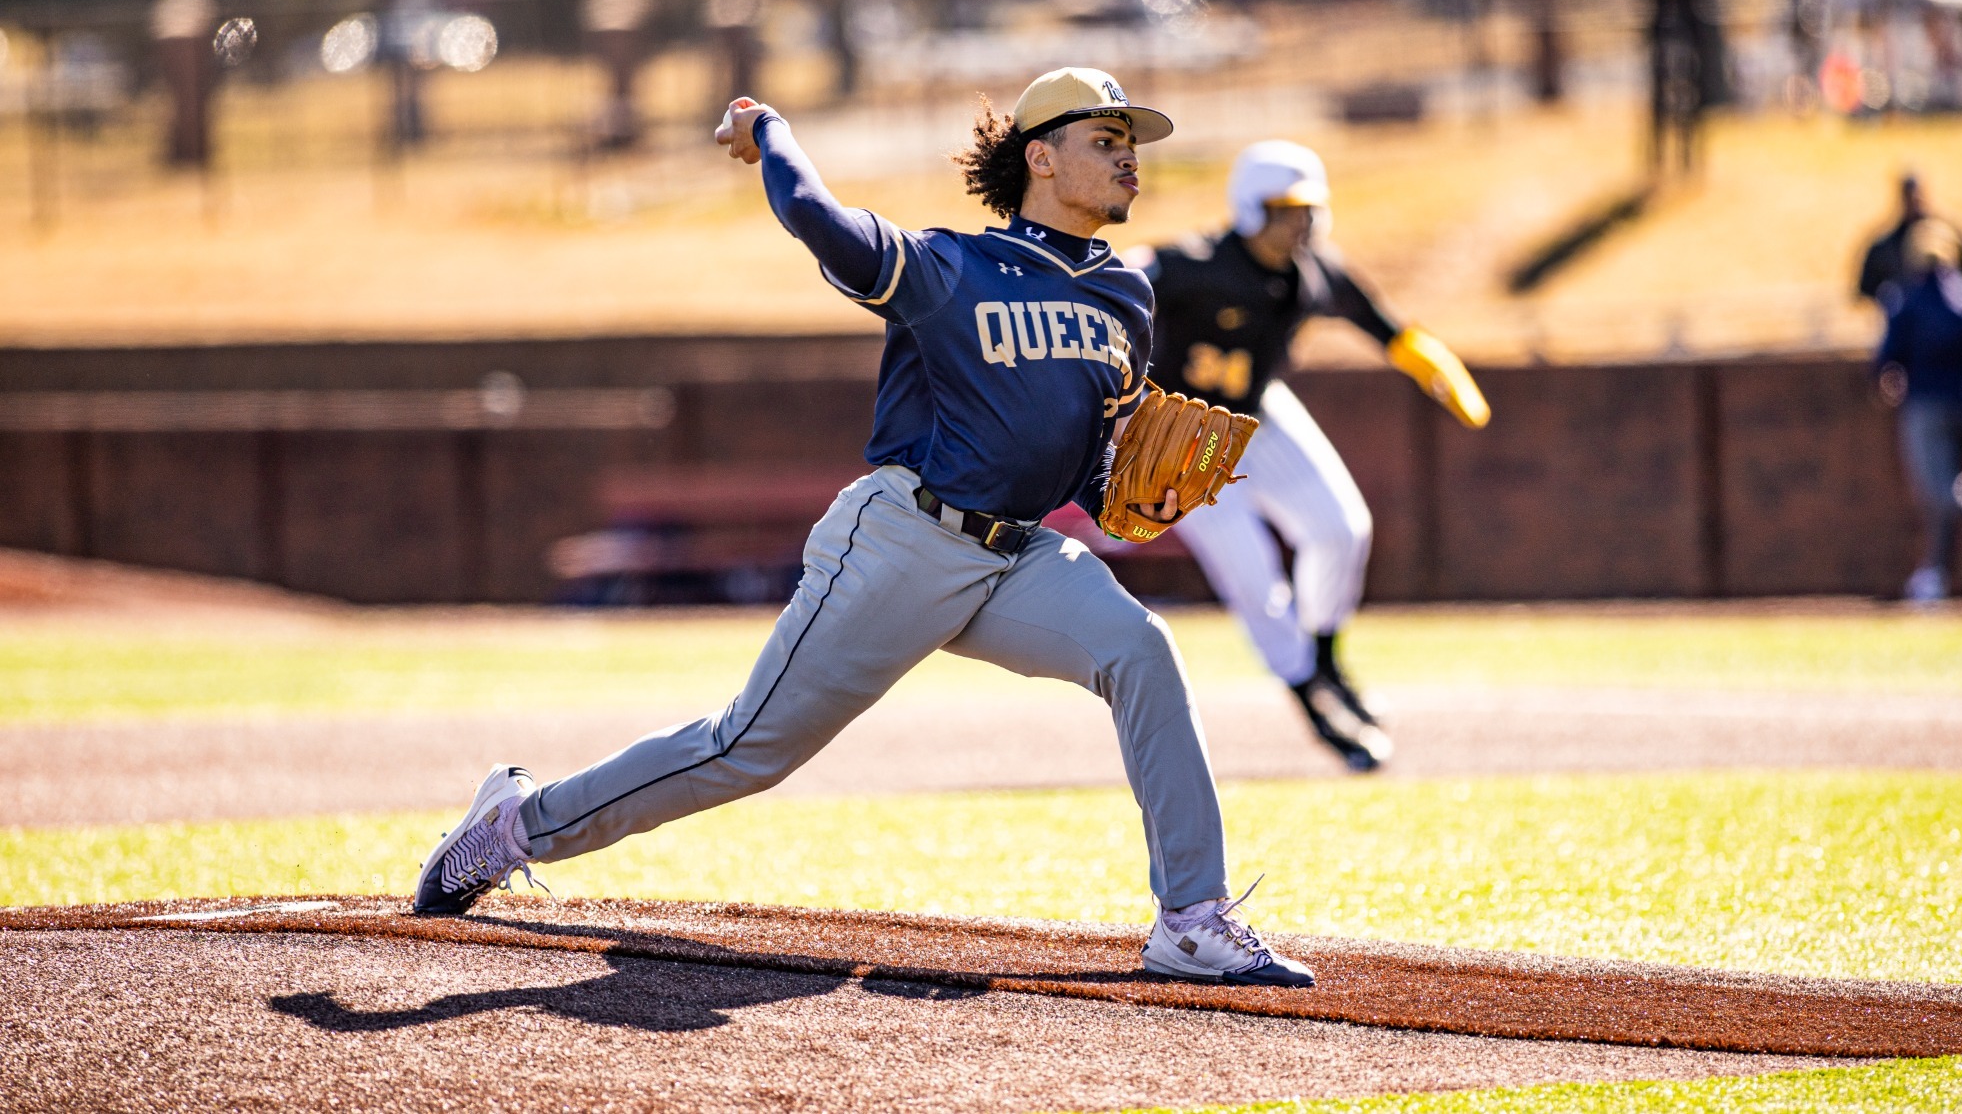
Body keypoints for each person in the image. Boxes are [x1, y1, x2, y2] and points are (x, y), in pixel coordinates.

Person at [413, 68, 1315, 988]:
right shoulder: (946, 267)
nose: (1130, 158)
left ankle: (1191, 918)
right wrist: (770, 131)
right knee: (745, 749)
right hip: (904, 540)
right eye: (1106, 139)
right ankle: (518, 823)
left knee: (1142, 650)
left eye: (1134, 143)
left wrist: (1130, 494)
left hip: (1020, 557)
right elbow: (816, 215)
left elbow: (1085, 457)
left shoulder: (1126, 292)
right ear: (1041, 157)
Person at [1141, 141, 1488, 770]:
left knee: (1341, 528)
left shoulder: (1316, 271)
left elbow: (1381, 324)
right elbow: (1123, 274)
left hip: (1258, 414)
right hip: (1179, 436)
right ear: (1250, 210)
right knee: (1254, 577)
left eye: (1307, 210)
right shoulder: (1194, 265)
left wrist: (1420, 356)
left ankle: (1326, 660)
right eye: (1284, 210)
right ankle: (1310, 698)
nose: (1299, 224)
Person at [1874, 219, 1962, 603]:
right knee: (1945, 490)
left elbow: (1885, 358)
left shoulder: (1907, 298)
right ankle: (1935, 574)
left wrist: (1885, 381)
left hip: (1926, 408)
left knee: (1939, 493)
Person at [1858, 173, 1962, 308]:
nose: (1914, 202)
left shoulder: (1948, 235)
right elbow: (1865, 293)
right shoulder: (1883, 245)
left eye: (1916, 196)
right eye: (1908, 197)